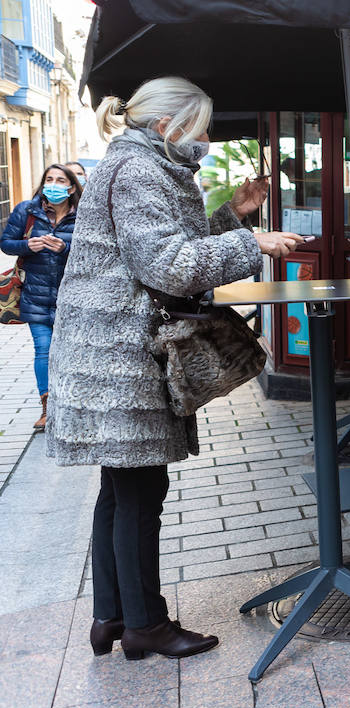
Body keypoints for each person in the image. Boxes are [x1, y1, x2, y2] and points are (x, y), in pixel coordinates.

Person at [48, 76, 303, 660]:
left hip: (106, 355)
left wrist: (231, 215)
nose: (207, 138)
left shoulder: (137, 164)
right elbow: (169, 265)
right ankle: (145, 625)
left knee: (120, 488)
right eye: (202, 127)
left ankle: (111, 616)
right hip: (120, 358)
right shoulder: (139, 171)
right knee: (139, 488)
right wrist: (252, 243)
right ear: (167, 125)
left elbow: (161, 250)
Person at [1, 163, 82, 431]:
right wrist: (27, 245)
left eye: (61, 180)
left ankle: (73, 404)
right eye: (49, 179)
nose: (54, 184)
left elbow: (94, 252)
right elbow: (6, 243)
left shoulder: (83, 214)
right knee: (43, 351)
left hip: (72, 298)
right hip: (34, 295)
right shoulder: (27, 210)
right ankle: (47, 408)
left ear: (71, 187)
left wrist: (65, 247)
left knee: (72, 353)